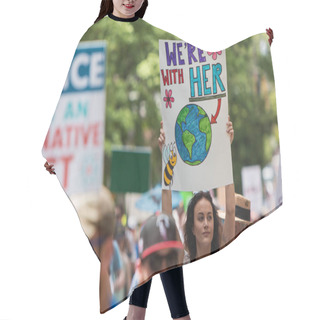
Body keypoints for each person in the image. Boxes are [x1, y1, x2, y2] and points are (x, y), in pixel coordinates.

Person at [158, 117, 235, 263]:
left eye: (209, 217)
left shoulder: (224, 252)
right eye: (200, 218)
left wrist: (226, 150)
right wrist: (165, 158)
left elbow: (230, 210)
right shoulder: (183, 260)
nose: (206, 224)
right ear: (192, 227)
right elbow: (167, 216)